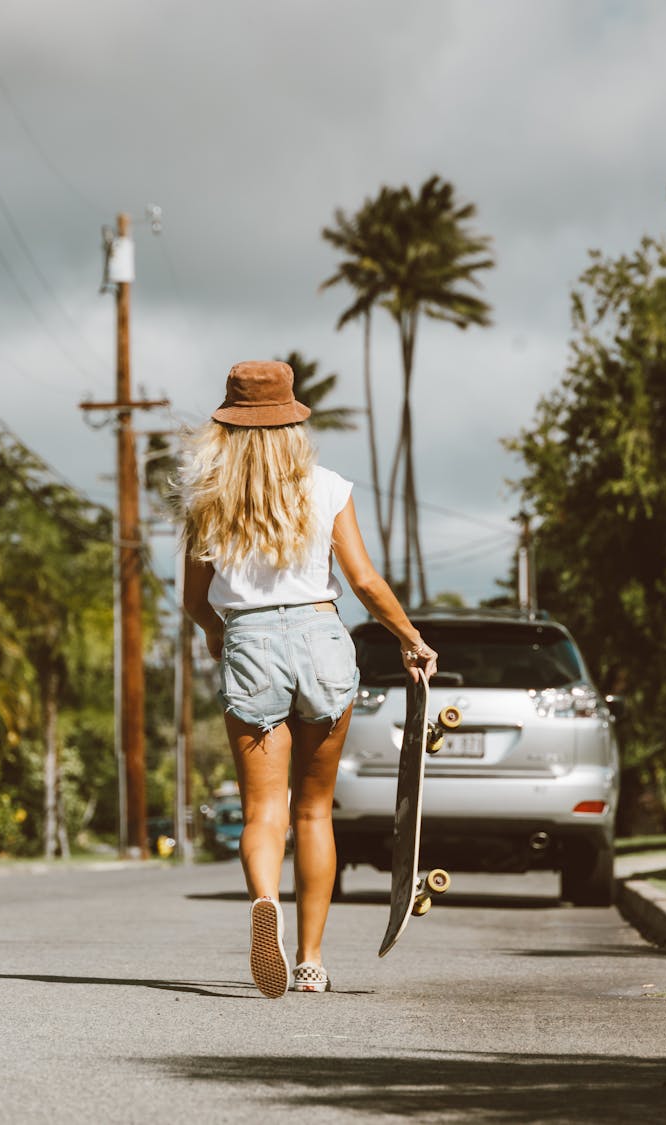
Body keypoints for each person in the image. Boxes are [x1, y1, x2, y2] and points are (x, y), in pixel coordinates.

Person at [178, 360, 437, 999]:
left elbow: (192, 597)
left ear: (228, 425)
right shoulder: (328, 488)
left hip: (251, 641)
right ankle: (312, 960)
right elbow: (366, 583)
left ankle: (265, 899)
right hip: (323, 640)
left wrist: (216, 633)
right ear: (295, 420)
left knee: (266, 810)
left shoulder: (206, 495)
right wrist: (411, 638)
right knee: (316, 810)